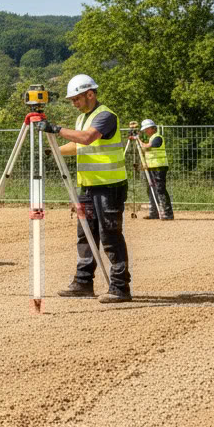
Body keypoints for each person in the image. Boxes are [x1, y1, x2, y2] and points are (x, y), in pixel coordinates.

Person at [39, 74, 132, 303]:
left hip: (109, 186)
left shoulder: (105, 116)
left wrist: (56, 128)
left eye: (77, 98)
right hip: (88, 186)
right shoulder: (82, 118)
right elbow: (77, 144)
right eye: (72, 100)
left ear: (90, 94)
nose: (74, 103)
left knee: (110, 235)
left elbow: (88, 138)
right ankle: (83, 282)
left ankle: (120, 287)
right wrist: (53, 151)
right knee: (85, 234)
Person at [132, 119, 173, 220]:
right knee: (151, 190)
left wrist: (138, 139)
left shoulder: (158, 138)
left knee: (160, 189)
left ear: (152, 128)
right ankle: (154, 213)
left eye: (146, 129)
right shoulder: (151, 138)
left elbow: (146, 147)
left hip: (159, 167)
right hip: (150, 168)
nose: (145, 131)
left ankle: (167, 213)